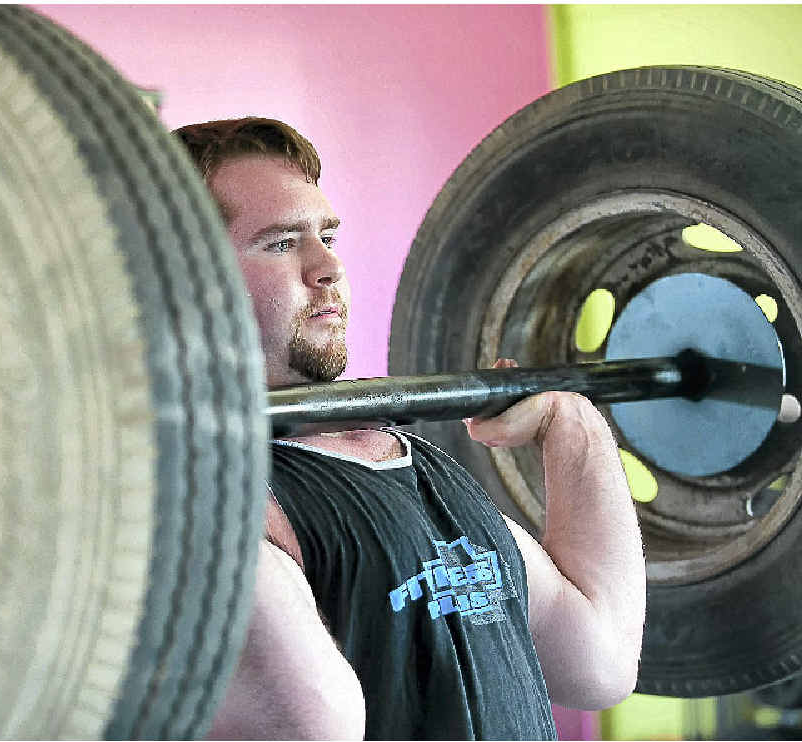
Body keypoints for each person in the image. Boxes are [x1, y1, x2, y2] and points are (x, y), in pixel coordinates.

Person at [173, 117, 647, 740]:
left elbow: (600, 662)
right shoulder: (208, 505)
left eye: (327, 236)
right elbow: (319, 726)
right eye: (282, 244)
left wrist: (572, 421)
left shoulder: (414, 463)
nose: (327, 268)